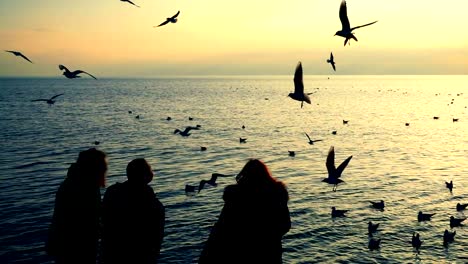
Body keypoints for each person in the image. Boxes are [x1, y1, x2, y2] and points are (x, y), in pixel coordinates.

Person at [199, 159, 291, 264]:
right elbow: (285, 225)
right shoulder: (277, 195)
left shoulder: (236, 197)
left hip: (240, 253)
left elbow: (222, 228)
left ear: (245, 175)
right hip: (270, 252)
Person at [46, 148, 108, 264]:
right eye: (103, 164)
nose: (105, 168)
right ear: (95, 166)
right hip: (75, 244)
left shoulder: (76, 181)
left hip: (67, 242)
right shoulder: (85, 187)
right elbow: (85, 219)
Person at [102, 158, 165, 264]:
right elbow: (156, 238)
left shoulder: (112, 192)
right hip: (140, 255)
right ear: (147, 176)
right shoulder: (152, 203)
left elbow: (104, 221)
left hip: (111, 252)